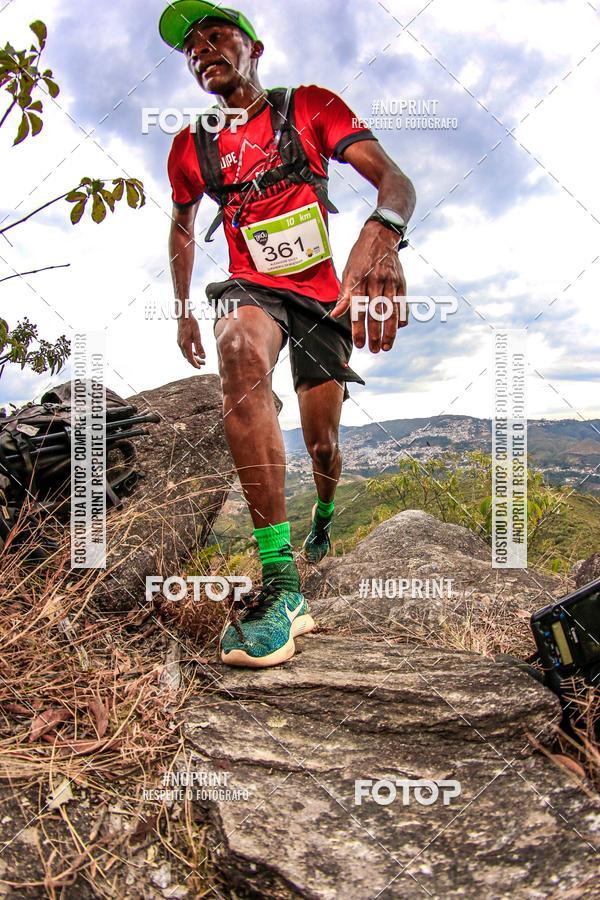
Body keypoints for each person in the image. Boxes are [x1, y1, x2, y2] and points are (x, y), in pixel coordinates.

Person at [159, 2, 416, 668]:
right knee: (238, 350)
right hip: (253, 289)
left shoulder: (311, 108)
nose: (202, 50)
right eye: (190, 47)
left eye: (217, 35)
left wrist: (381, 233)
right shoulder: (191, 148)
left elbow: (394, 177)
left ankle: (324, 515)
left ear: (254, 47)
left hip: (325, 303)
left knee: (324, 441)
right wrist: (183, 304)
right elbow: (183, 226)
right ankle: (282, 584)